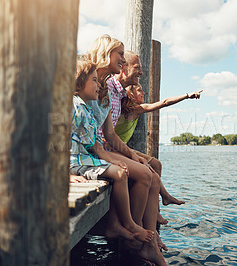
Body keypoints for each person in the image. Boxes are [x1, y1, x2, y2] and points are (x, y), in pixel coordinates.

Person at [85, 34, 167, 266]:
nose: (123, 58)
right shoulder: (85, 81)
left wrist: (131, 154)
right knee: (144, 174)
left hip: (100, 147)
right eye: (120, 54)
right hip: (90, 150)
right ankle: (133, 237)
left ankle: (144, 237)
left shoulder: (103, 89)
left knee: (146, 170)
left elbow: (110, 133)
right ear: (106, 53)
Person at [69, 59, 153, 244]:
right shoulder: (75, 108)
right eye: (93, 80)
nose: (98, 85)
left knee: (120, 171)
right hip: (75, 163)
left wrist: (112, 160)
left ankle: (123, 223)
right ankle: (128, 224)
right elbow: (93, 146)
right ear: (79, 82)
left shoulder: (85, 109)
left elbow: (95, 143)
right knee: (119, 173)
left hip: (84, 160)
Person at [116, 84, 202, 144]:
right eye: (139, 90)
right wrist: (186, 96)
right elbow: (165, 102)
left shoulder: (127, 108)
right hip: (116, 149)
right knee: (151, 167)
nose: (143, 93)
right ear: (130, 94)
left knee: (156, 164)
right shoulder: (135, 109)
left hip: (120, 147)